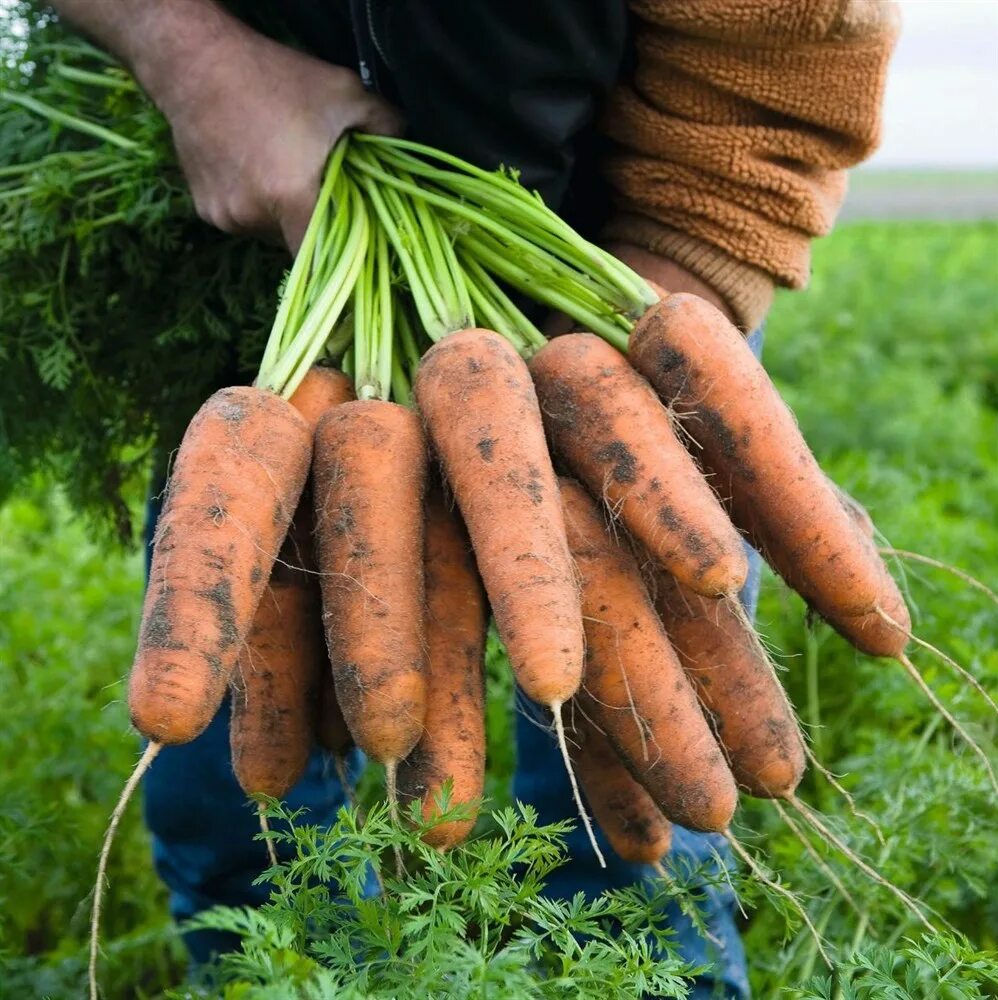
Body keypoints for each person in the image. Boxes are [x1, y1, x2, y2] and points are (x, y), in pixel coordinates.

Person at [52, 1, 898, 995]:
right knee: (234, 802)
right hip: (263, 248)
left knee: (634, 797)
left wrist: (628, 362)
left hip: (608, 258)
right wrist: (189, 54)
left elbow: (788, 45)